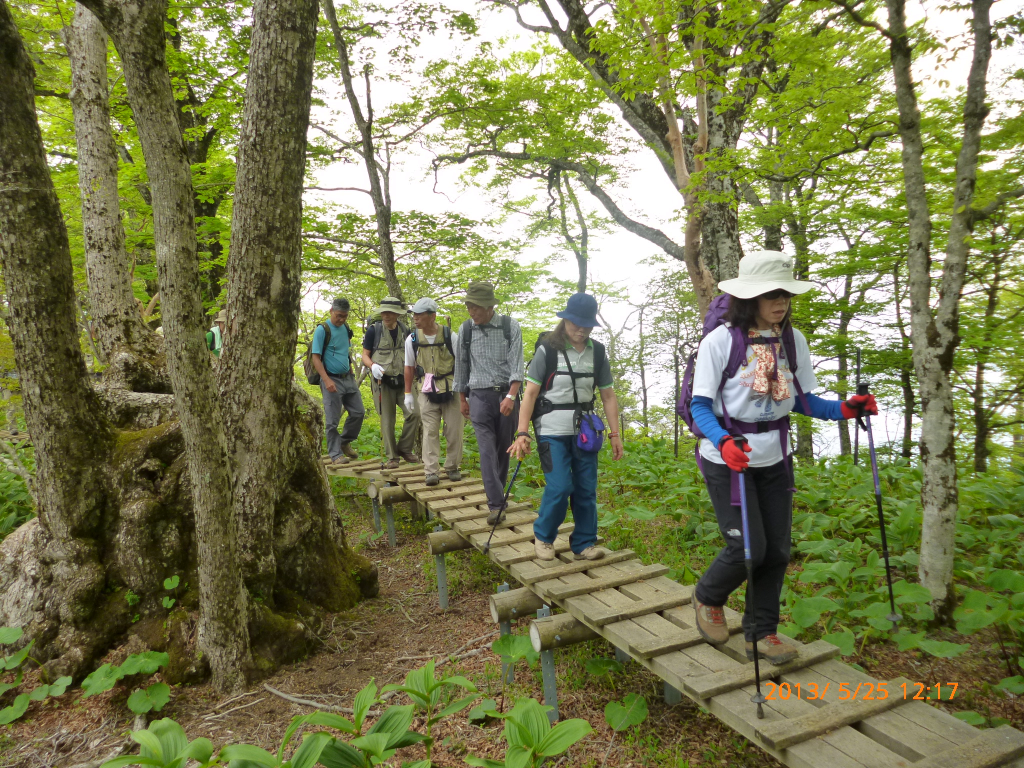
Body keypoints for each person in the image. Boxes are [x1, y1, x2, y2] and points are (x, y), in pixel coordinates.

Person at [688, 250, 877, 664]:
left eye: (786, 294)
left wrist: (848, 408)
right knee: (746, 547)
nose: (781, 302)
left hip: (774, 457)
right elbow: (699, 405)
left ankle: (761, 631)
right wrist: (722, 441)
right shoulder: (719, 342)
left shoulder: (792, 340)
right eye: (771, 294)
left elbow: (804, 401)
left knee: (777, 549)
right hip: (728, 458)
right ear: (748, 297)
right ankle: (707, 596)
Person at [509, 293, 624, 562]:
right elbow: (530, 394)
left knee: (586, 487)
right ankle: (544, 536)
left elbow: (608, 395)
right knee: (560, 486)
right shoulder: (548, 349)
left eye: (586, 324)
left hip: (585, 430)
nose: (581, 330)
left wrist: (615, 434)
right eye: (575, 323)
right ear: (565, 320)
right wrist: (522, 432)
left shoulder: (598, 352)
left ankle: (584, 543)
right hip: (550, 428)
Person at [453, 281, 524, 524]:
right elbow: (461, 366)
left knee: (503, 450)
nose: (472, 312)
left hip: (507, 396)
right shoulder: (466, 330)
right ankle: (495, 505)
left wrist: (511, 396)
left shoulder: (509, 326)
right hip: (479, 397)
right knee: (486, 452)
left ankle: (498, 499)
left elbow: (517, 364)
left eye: (477, 307)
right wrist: (462, 398)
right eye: (469, 307)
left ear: (490, 306)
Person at [404, 298, 463, 485]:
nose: (416, 318)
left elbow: (462, 364)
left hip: (451, 388)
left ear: (432, 316)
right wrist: (407, 394)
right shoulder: (412, 339)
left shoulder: (450, 336)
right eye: (414, 314)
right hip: (426, 389)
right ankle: (431, 471)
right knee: (430, 430)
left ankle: (453, 466)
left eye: (420, 314)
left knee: (454, 429)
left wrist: (465, 393)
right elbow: (409, 367)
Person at [361, 297, 419, 469]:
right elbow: (365, 355)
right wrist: (372, 366)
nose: (386, 315)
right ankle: (392, 457)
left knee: (415, 413)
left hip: (403, 380)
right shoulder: (374, 331)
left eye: (390, 312)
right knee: (387, 421)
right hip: (382, 382)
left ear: (397, 314)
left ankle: (404, 448)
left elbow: (412, 354)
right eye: (384, 312)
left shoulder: (405, 330)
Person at [311, 297, 364, 465]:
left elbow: (344, 351)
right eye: (339, 315)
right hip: (331, 379)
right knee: (332, 420)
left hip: (348, 377)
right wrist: (326, 380)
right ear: (331, 311)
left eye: (345, 316)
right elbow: (315, 357)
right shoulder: (323, 330)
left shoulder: (345, 328)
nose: (341, 319)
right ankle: (335, 454)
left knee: (358, 412)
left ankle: (344, 442)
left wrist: (350, 372)